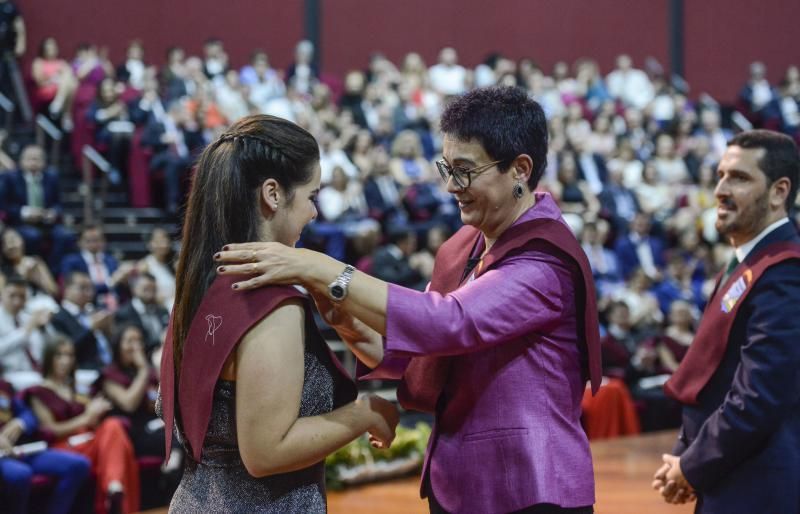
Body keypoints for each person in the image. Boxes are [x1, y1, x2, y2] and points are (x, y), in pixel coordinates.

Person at [216, 87, 602, 514]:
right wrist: (351, 324)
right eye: (447, 168)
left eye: (465, 171)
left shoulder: (544, 262)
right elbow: (428, 353)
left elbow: (449, 323)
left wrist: (319, 267)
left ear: (520, 169)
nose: (451, 186)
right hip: (460, 484)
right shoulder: (467, 245)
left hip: (530, 486)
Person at [158, 115, 399, 513]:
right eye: (311, 196)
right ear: (272, 194)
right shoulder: (271, 302)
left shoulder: (201, 280)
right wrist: (365, 413)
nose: (314, 213)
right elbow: (267, 451)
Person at [653, 130, 800, 513]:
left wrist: (692, 466)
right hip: (731, 477)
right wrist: (687, 456)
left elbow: (758, 397)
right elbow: (716, 374)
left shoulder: (785, 274)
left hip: (760, 489)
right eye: (720, 174)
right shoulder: (749, 263)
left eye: (739, 177)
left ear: (779, 192)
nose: (720, 188)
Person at [24, 338, 140, 514]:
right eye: (59, 355)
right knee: (116, 441)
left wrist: (98, 412)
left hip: (90, 441)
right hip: (64, 446)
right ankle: (113, 489)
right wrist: (86, 418)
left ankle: (114, 488)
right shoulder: (38, 391)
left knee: (113, 424)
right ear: (49, 358)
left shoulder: (79, 389)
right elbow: (50, 430)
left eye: (69, 355)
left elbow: (94, 420)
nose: (65, 360)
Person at [0, 376, 90, 514]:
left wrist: (21, 423)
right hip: (3, 457)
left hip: (21, 448)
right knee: (21, 474)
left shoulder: (4, 386)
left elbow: (28, 414)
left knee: (79, 465)